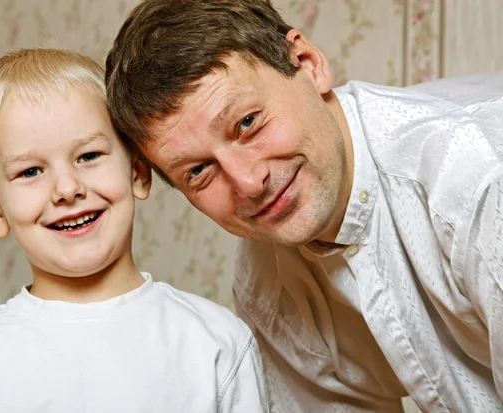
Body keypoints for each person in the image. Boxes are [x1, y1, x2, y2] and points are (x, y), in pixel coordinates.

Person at [104, 0, 503, 411]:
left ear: (309, 64)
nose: (248, 182)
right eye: (199, 170)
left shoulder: (476, 179)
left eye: (247, 123)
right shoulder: (266, 284)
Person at [0, 48, 268, 413]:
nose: (67, 189)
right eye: (30, 172)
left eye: (88, 156)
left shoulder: (215, 342)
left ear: (137, 172)